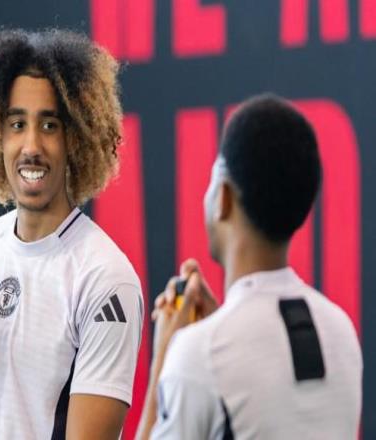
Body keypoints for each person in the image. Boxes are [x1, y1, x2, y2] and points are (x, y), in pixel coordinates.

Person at [0, 28, 144, 440]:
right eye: (17, 123)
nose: (31, 145)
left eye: (49, 125)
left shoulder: (106, 278)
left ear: (75, 138)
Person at [137, 94, 362, 439]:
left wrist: (165, 359)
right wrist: (219, 325)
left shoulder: (199, 354)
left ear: (223, 198)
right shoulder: (340, 332)